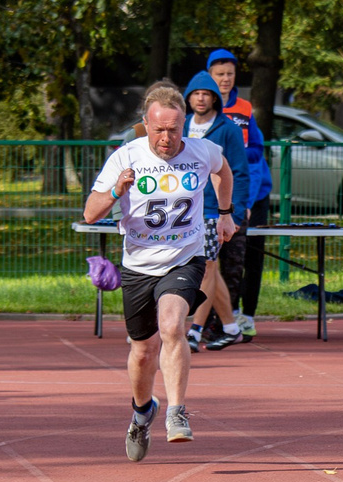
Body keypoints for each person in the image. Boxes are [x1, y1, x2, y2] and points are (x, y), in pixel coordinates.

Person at [82, 82, 235, 458]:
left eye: (174, 129)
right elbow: (90, 212)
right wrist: (118, 191)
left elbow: (223, 171)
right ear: (145, 124)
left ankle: (177, 412)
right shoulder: (126, 157)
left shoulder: (203, 150)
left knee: (171, 326)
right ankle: (141, 413)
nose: (166, 138)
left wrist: (226, 213)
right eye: (158, 130)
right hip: (138, 263)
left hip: (185, 256)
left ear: (184, 125)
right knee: (142, 352)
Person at [206, 49, 275, 336]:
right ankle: (214, 319)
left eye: (230, 75)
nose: (225, 80)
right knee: (210, 259)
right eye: (219, 75)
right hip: (213, 199)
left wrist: (245, 201)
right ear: (209, 77)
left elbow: (255, 158)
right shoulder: (200, 113)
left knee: (248, 258)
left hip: (249, 197)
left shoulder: (245, 110)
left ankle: (246, 315)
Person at [182, 73, 251, 351]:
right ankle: (232, 327)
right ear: (188, 98)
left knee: (207, 267)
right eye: (195, 93)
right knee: (213, 269)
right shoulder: (182, 126)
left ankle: (195, 332)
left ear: (214, 99)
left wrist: (235, 211)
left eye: (206, 93)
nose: (200, 98)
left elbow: (240, 173)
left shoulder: (228, 129)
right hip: (187, 211)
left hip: (215, 211)